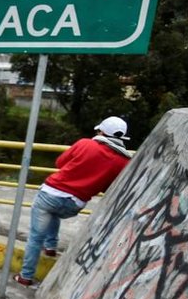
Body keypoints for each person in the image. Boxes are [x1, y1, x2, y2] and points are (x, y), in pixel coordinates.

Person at [14, 116, 132, 286]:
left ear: (101, 132)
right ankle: (51, 247)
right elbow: (108, 188)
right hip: (74, 204)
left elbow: (60, 162)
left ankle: (25, 276)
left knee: (35, 237)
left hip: (50, 194)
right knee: (53, 213)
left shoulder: (86, 143)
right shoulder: (123, 161)